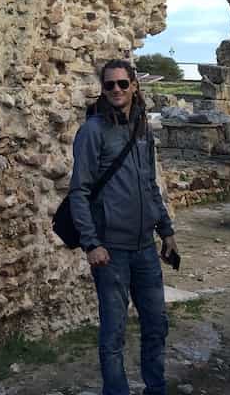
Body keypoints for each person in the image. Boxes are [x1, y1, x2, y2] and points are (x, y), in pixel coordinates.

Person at [68, 58, 177, 395]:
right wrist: (91, 243)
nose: (116, 89)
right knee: (114, 331)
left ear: (134, 86)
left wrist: (167, 231)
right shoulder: (92, 131)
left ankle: (155, 388)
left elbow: (150, 184)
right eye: (109, 85)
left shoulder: (142, 129)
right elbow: (79, 191)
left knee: (156, 325)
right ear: (103, 90)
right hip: (111, 250)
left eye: (122, 84)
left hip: (145, 247)